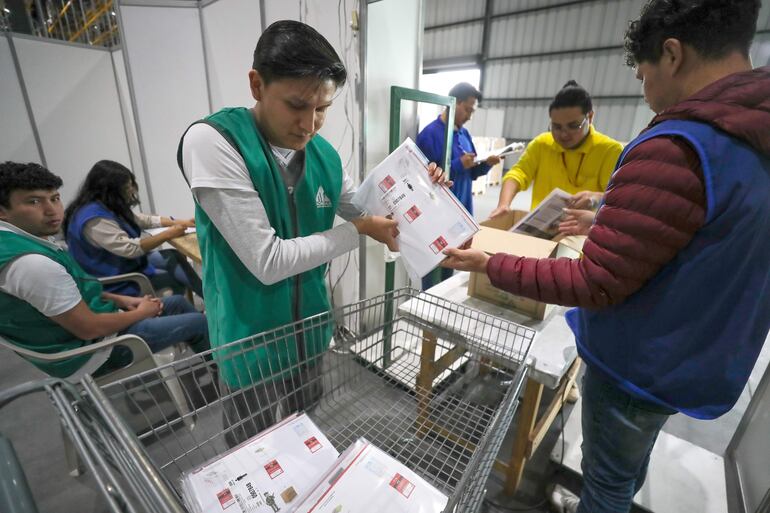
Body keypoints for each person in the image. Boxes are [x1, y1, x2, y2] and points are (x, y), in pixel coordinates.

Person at [440, 1, 769, 512]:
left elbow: (597, 280)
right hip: (696, 352)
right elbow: (683, 227)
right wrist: (510, 207)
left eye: (642, 75)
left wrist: (489, 263)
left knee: (608, 482)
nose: (646, 90)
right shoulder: (752, 133)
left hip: (638, 358)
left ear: (672, 55)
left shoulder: (673, 144)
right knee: (622, 470)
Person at [178, 20, 448, 447]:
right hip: (253, 341)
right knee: (255, 450)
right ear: (256, 84)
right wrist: (358, 231)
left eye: (322, 108)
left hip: (310, 332)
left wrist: (420, 188)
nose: (310, 124)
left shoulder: (322, 153)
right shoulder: (216, 142)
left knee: (303, 433)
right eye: (297, 105)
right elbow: (268, 261)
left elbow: (359, 204)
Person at [0, 162, 209, 379]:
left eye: (54, 198)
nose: (51, 209)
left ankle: (213, 351)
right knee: (199, 321)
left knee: (178, 301)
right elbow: (89, 328)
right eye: (33, 201)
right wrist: (140, 312)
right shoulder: (32, 264)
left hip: (94, 319)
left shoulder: (20, 241)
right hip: (93, 352)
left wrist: (121, 301)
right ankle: (234, 380)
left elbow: (67, 292)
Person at [64, 160, 203, 298]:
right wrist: (168, 234)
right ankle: (195, 304)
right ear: (110, 190)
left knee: (173, 256)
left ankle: (206, 296)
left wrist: (179, 222)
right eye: (126, 188)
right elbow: (131, 249)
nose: (130, 191)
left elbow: (142, 220)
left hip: (121, 264)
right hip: (113, 280)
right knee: (174, 279)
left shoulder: (103, 205)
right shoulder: (95, 220)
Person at [490, 81, 623, 217]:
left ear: (589, 117)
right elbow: (518, 174)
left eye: (573, 126)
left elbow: (620, 197)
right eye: (557, 127)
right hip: (540, 225)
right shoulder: (542, 144)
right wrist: (503, 204)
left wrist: (596, 197)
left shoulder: (610, 151)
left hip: (583, 231)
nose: (564, 135)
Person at [416, 82, 500, 289]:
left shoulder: (464, 134)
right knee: (433, 268)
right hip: (438, 217)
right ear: (455, 103)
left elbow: (471, 173)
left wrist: (486, 165)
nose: (470, 115)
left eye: (473, 110)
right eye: (468, 109)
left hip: (461, 212)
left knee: (451, 268)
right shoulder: (430, 134)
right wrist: (458, 164)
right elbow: (421, 180)